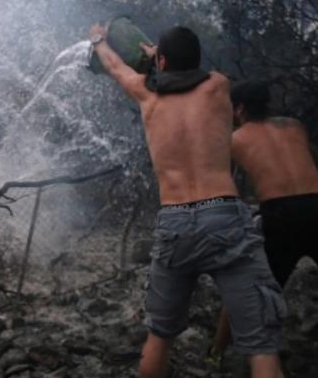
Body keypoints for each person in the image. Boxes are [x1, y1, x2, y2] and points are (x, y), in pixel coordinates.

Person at [89, 24, 286, 378]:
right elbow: (187, 73)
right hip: (224, 215)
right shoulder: (218, 85)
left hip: (175, 221)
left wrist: (99, 39)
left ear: (161, 60)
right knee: (261, 345)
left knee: (160, 337)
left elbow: (115, 66)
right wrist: (159, 57)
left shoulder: (145, 95)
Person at [209, 80, 318, 361]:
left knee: (244, 285)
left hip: (281, 215)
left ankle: (215, 354)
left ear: (240, 108)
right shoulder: (295, 126)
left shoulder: (234, 139)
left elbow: (227, 191)